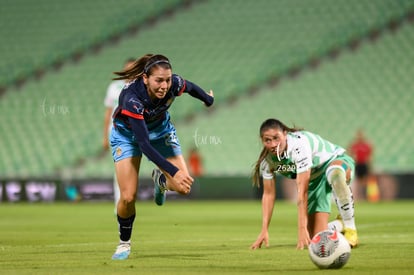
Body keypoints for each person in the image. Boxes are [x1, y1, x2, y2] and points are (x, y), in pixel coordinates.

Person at [109, 54, 214, 260]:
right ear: (145, 78)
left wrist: (208, 100)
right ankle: (124, 243)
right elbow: (144, 145)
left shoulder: (173, 83)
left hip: (162, 131)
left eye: (167, 80)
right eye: (158, 80)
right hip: (127, 137)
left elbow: (190, 87)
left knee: (184, 188)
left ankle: (161, 180)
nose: (164, 85)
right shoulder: (132, 99)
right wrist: (173, 170)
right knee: (128, 196)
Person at [250, 118, 358, 250]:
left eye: (276, 138)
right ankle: (340, 225)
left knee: (335, 174)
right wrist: (264, 229)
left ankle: (350, 227)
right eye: (267, 140)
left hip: (336, 161)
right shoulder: (268, 161)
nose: (273, 144)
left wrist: (301, 229)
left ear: (285, 133)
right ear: (262, 140)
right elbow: (268, 195)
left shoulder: (299, 146)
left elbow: (302, 192)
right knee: (316, 238)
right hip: (316, 181)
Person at [103, 58, 136, 210]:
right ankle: (120, 203)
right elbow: (108, 113)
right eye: (128, 68)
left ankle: (127, 199)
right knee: (120, 167)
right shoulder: (114, 87)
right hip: (116, 131)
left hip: (134, 131)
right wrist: (104, 136)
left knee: (130, 168)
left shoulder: (140, 88)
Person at [348, 129, 375, 201]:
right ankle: (359, 196)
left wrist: (370, 165)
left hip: (364, 164)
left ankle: (365, 196)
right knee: (357, 181)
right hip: (357, 164)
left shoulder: (366, 145)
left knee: (365, 181)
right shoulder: (354, 145)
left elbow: (370, 156)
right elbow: (350, 154)